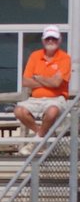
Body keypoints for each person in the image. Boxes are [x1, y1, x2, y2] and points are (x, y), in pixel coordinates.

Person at [14, 25, 72, 155]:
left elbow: (57, 83)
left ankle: (36, 142)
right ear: (43, 40)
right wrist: (49, 81)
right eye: (48, 38)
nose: (50, 41)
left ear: (59, 40)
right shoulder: (35, 56)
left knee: (52, 111)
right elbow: (25, 81)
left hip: (56, 99)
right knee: (18, 111)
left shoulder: (65, 58)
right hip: (35, 99)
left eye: (54, 38)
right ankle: (43, 137)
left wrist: (38, 78)